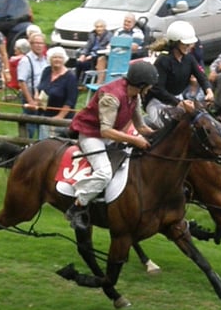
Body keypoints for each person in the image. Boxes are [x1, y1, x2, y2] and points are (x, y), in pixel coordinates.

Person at [66, 61, 158, 230]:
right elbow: (106, 131)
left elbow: (141, 126)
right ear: (142, 84)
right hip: (91, 135)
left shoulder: (134, 96)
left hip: (109, 134)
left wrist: (158, 135)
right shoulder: (112, 97)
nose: (150, 89)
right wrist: (135, 140)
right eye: (149, 86)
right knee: (105, 173)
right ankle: (77, 207)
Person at [145, 20, 214, 127]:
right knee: (170, 126)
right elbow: (158, 89)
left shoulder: (189, 58)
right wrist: (178, 102)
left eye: (189, 44)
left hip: (177, 99)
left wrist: (208, 91)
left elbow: (202, 77)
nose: (189, 47)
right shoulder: (163, 60)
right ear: (175, 43)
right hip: (157, 101)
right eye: (185, 44)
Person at [35, 46, 78, 140]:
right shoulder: (46, 71)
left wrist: (59, 117)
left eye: (60, 57)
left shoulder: (70, 77)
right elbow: (39, 87)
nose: (57, 60)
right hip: (44, 115)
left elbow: (70, 101)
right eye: (54, 57)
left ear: (64, 59)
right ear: (50, 59)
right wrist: (37, 97)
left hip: (61, 119)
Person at [94, 13, 146, 81]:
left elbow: (134, 46)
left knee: (117, 60)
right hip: (115, 55)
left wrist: (119, 45)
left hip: (129, 57)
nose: (126, 23)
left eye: (129, 22)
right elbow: (111, 43)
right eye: (125, 21)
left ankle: (116, 82)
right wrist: (110, 46)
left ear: (134, 23)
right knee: (101, 59)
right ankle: (100, 83)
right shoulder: (119, 31)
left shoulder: (137, 32)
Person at [18, 31, 49, 138]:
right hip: (30, 97)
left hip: (43, 98)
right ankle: (26, 147)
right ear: (30, 44)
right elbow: (22, 82)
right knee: (30, 126)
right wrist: (30, 101)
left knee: (43, 126)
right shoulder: (26, 61)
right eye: (36, 43)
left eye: (41, 43)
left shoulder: (46, 60)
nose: (39, 46)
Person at [75, 19, 112, 84]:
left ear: (104, 27)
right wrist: (83, 55)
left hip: (99, 55)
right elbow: (88, 46)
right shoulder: (92, 34)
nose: (98, 29)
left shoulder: (108, 35)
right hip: (90, 54)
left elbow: (103, 48)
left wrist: (91, 56)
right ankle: (76, 82)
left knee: (87, 63)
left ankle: (86, 82)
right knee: (79, 62)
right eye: (97, 27)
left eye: (101, 27)